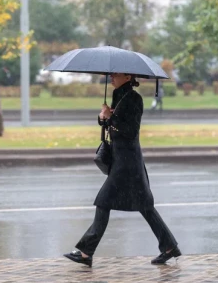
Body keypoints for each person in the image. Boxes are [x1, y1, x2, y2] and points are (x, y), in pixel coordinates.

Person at [64, 73, 180, 267]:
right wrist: (103, 118)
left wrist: (111, 118)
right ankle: (169, 247)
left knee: (103, 201)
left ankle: (85, 252)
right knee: (145, 206)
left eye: (115, 74)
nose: (111, 77)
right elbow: (112, 125)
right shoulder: (119, 95)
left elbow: (131, 130)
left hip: (128, 162)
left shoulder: (134, 98)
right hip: (122, 159)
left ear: (127, 76)